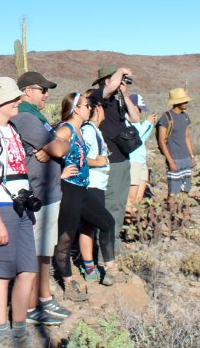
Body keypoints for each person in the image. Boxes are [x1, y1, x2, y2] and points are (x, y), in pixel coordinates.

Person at [12, 72, 83, 327]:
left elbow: (61, 146)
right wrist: (53, 145)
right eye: (43, 90)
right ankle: (31, 306)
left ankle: (43, 297)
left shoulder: (36, 118)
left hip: (48, 192)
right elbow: (61, 147)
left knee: (44, 253)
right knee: (34, 253)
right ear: (27, 91)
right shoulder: (27, 117)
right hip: (38, 193)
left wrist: (53, 145)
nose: (46, 94)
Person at [0, 78, 39, 347]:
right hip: (1, 208)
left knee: (28, 269)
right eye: (13, 98)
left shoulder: (11, 128)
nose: (18, 101)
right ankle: (3, 332)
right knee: (2, 273)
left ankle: (20, 325)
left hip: (21, 207)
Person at [53, 92, 119, 289]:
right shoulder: (65, 130)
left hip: (82, 188)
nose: (90, 108)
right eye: (86, 105)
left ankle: (110, 267)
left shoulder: (80, 130)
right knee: (66, 236)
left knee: (107, 222)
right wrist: (59, 175)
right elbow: (49, 153)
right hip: (69, 188)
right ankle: (67, 279)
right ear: (76, 109)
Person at [90, 65, 141, 255]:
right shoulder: (97, 97)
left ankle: (113, 241)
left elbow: (135, 118)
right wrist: (120, 71)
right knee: (108, 203)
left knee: (119, 203)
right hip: (109, 161)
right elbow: (109, 88)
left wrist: (125, 95)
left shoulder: (118, 100)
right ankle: (104, 247)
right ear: (108, 81)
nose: (122, 83)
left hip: (123, 159)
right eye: (120, 80)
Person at [78, 99, 117, 284]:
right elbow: (79, 156)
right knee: (105, 223)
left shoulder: (95, 130)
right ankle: (110, 268)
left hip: (97, 184)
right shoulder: (88, 130)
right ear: (98, 109)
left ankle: (89, 267)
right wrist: (97, 162)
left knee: (89, 227)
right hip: (90, 185)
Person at [157, 88, 196, 231]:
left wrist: (192, 156)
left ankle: (184, 217)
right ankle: (172, 218)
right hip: (174, 158)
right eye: (183, 100)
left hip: (185, 158)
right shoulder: (166, 117)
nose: (186, 103)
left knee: (185, 190)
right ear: (176, 102)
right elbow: (162, 141)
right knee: (173, 192)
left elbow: (187, 137)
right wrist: (170, 161)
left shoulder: (185, 117)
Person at [126, 94, 157, 227]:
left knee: (139, 197)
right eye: (138, 108)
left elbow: (142, 139)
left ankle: (134, 222)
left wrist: (149, 125)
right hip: (133, 161)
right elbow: (135, 138)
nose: (139, 111)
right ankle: (127, 224)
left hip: (141, 160)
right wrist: (147, 123)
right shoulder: (126, 121)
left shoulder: (137, 122)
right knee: (131, 198)